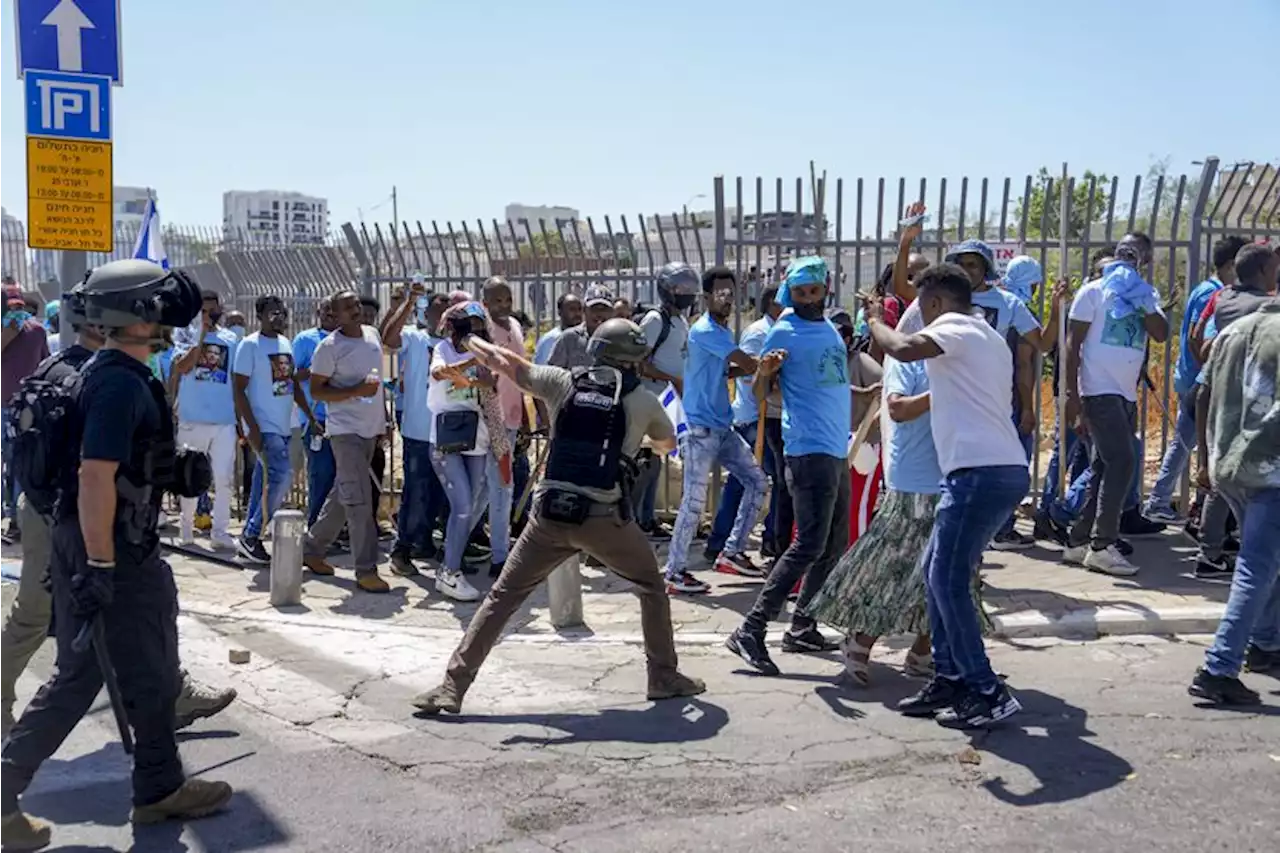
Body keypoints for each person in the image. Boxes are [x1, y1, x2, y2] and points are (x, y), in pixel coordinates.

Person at [0, 261, 233, 849]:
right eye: (154, 307)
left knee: (136, 673)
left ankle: (158, 787)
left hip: (107, 545)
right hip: (113, 551)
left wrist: (168, 471)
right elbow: (96, 475)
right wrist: (101, 567)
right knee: (90, 677)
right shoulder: (118, 382)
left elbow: (120, 464)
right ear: (131, 316)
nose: (166, 317)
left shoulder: (115, 370)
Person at [410, 318, 705, 715]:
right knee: (651, 588)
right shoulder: (643, 400)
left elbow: (504, 362)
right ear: (636, 361)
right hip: (605, 520)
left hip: (548, 519)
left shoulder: (562, 382)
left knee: (502, 597)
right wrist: (639, 441)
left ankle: (452, 688)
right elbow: (667, 444)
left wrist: (469, 340)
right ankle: (664, 676)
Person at [864, 262, 1030, 727]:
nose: (917, 313)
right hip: (993, 470)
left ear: (935, 303)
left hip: (979, 473)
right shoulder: (985, 336)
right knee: (935, 572)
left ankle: (985, 689)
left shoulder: (956, 329)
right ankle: (951, 677)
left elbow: (899, 347)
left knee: (947, 580)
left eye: (920, 304)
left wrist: (875, 318)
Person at [725, 257, 850, 676]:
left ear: (825, 289)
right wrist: (766, 370)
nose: (809, 299)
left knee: (833, 542)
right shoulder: (784, 330)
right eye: (800, 293)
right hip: (807, 448)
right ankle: (752, 628)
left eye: (814, 291)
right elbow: (760, 391)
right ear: (790, 295)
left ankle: (802, 625)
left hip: (835, 448)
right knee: (809, 544)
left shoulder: (829, 326)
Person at [1187, 294, 1280, 704]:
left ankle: (1265, 644)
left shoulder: (1231, 332)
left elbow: (1199, 395)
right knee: (1257, 567)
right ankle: (1218, 667)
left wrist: (1207, 458)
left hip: (1232, 466)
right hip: (1270, 468)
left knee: (1265, 560)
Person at [1062, 233, 1172, 576]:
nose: (1129, 255)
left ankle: (1078, 540)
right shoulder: (1093, 292)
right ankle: (1102, 544)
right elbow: (1072, 345)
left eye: (1137, 252)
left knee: (1103, 467)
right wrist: (1071, 396)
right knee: (1124, 460)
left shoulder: (1145, 294)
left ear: (1146, 260)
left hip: (1126, 393)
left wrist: (1141, 300)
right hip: (1099, 390)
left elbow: (1160, 333)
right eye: (1124, 249)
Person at [662, 267, 767, 593]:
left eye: (730, 293)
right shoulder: (707, 330)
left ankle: (731, 553)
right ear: (706, 297)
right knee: (693, 504)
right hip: (700, 430)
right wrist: (771, 362)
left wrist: (761, 364)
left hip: (722, 425)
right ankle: (674, 573)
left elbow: (728, 370)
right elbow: (748, 365)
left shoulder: (719, 332)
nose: (726, 299)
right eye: (720, 293)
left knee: (758, 482)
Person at [943, 240, 1053, 550]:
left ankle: (983, 537)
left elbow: (1041, 344)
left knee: (994, 470)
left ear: (986, 269)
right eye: (961, 263)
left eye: (973, 264)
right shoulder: (942, 300)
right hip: (952, 401)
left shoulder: (1008, 304)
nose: (966, 270)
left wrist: (1056, 310)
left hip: (993, 403)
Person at [1188, 244, 1279, 579]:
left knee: (1222, 473)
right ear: (1263, 273)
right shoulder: (1264, 309)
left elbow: (1198, 336)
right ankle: (1228, 550)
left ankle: (1210, 549)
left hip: (1223, 392)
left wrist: (1211, 367)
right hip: (1255, 397)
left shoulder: (1222, 297)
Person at [1144, 237, 1249, 524]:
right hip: (1199, 382)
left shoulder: (1207, 289)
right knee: (1186, 444)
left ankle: (1178, 504)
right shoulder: (1216, 294)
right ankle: (1159, 501)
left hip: (1192, 378)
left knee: (1187, 443)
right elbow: (1201, 340)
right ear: (1231, 265)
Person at [300, 290, 391, 593]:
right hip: (344, 432)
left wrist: (384, 419)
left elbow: (379, 380)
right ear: (334, 316)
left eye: (356, 305)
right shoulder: (328, 348)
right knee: (359, 500)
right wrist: (355, 391)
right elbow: (317, 392)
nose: (355, 310)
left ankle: (311, 548)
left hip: (370, 429)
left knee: (344, 493)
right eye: (347, 308)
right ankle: (365, 569)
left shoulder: (372, 334)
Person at [705, 284, 787, 563]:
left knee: (753, 482)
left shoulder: (778, 331)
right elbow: (745, 374)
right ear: (774, 306)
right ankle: (732, 543)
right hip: (754, 418)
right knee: (759, 482)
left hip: (766, 417)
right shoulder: (759, 333)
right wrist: (768, 375)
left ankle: (734, 543)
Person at [425, 301, 501, 603]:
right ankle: (449, 572)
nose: (475, 332)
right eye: (469, 327)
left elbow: (490, 384)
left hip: (477, 436)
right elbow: (441, 372)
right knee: (462, 505)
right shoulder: (442, 348)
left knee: (471, 505)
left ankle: (450, 565)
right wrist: (470, 364)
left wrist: (481, 369)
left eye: (480, 327)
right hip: (446, 436)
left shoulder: (486, 352)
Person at [233, 296, 312, 564]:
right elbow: (238, 388)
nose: (278, 317)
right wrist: (251, 427)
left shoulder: (284, 343)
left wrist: (310, 416)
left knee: (263, 480)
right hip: (263, 424)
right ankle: (253, 534)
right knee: (282, 474)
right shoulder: (249, 346)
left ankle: (247, 536)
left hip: (283, 424)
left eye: (281, 312)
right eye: (272, 312)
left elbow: (290, 384)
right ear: (260, 315)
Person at [381, 287, 450, 575]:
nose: (443, 316)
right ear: (426, 313)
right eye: (438, 310)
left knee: (439, 494)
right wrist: (408, 303)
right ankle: (402, 549)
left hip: (447, 432)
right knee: (416, 491)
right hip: (419, 431)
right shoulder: (416, 337)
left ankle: (424, 541)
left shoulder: (456, 343)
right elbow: (388, 340)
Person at [169, 290, 239, 549]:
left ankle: (220, 532)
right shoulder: (185, 335)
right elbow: (182, 367)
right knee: (189, 476)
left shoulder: (231, 339)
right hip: (192, 418)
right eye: (204, 311)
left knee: (223, 478)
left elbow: (235, 379)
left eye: (213, 310)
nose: (209, 315)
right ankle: (186, 528)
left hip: (223, 420)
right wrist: (200, 335)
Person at [635, 262, 699, 539]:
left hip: (670, 400)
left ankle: (647, 519)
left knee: (657, 462)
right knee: (645, 464)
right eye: (680, 287)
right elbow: (639, 362)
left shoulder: (680, 321)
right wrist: (671, 379)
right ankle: (634, 522)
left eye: (689, 288)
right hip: (652, 396)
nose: (686, 293)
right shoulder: (654, 320)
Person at [481, 276, 528, 577]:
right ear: (485, 303)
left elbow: (520, 376)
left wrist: (524, 416)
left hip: (510, 418)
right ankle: (499, 558)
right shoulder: (483, 330)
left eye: (508, 299)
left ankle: (464, 548)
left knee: (495, 491)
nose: (504, 306)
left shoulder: (515, 327)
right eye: (497, 300)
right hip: (489, 420)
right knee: (498, 489)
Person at [0, 283, 50, 541]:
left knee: (19, 466)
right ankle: (14, 519)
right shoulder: (30, 330)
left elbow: (44, 366)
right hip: (17, 408)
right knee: (17, 466)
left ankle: (17, 521)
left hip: (24, 409)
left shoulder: (37, 332)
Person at [293, 297, 338, 526]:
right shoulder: (305, 339)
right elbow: (293, 376)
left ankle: (334, 529)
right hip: (316, 416)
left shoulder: (346, 338)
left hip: (343, 417)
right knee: (320, 475)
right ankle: (315, 527)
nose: (330, 314)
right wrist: (316, 372)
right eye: (326, 310)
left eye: (334, 310)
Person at [534, 292, 583, 366]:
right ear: (560, 312)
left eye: (579, 309)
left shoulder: (585, 338)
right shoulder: (550, 340)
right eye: (572, 309)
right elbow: (542, 372)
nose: (577, 314)